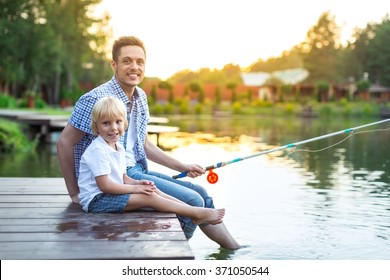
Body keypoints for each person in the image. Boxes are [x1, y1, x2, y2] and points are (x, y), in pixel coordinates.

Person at [57, 35, 240, 249]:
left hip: (135, 171)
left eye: (139, 61)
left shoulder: (141, 97)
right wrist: (74, 193)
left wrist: (183, 166)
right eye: (127, 61)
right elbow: (64, 142)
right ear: (114, 65)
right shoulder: (96, 100)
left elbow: (144, 145)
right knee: (193, 201)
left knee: (202, 195)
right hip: (114, 175)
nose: (134, 67)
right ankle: (174, 252)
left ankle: (233, 250)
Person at [78, 96, 225, 226]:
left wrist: (138, 183)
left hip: (110, 194)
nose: (114, 128)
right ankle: (196, 213)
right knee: (148, 198)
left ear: (125, 123)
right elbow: (105, 185)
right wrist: (136, 189)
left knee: (152, 189)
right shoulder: (98, 150)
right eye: (106, 123)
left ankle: (194, 212)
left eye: (118, 122)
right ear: (96, 126)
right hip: (96, 201)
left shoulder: (118, 147)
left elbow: (123, 178)